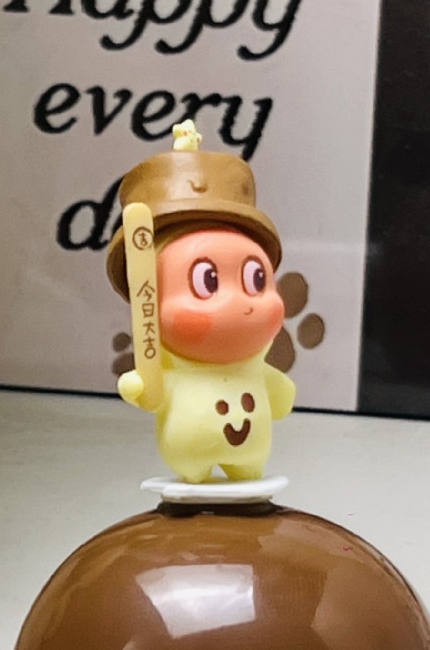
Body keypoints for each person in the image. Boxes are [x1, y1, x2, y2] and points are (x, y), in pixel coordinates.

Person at [106, 122, 295, 482]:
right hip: (188, 453)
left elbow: (280, 396)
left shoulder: (255, 368)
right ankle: (197, 475)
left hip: (252, 450)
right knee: (196, 478)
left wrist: (280, 392)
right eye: (208, 282)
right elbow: (149, 394)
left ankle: (245, 472)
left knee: (250, 476)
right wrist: (142, 386)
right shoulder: (171, 373)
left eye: (256, 281)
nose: (240, 303)